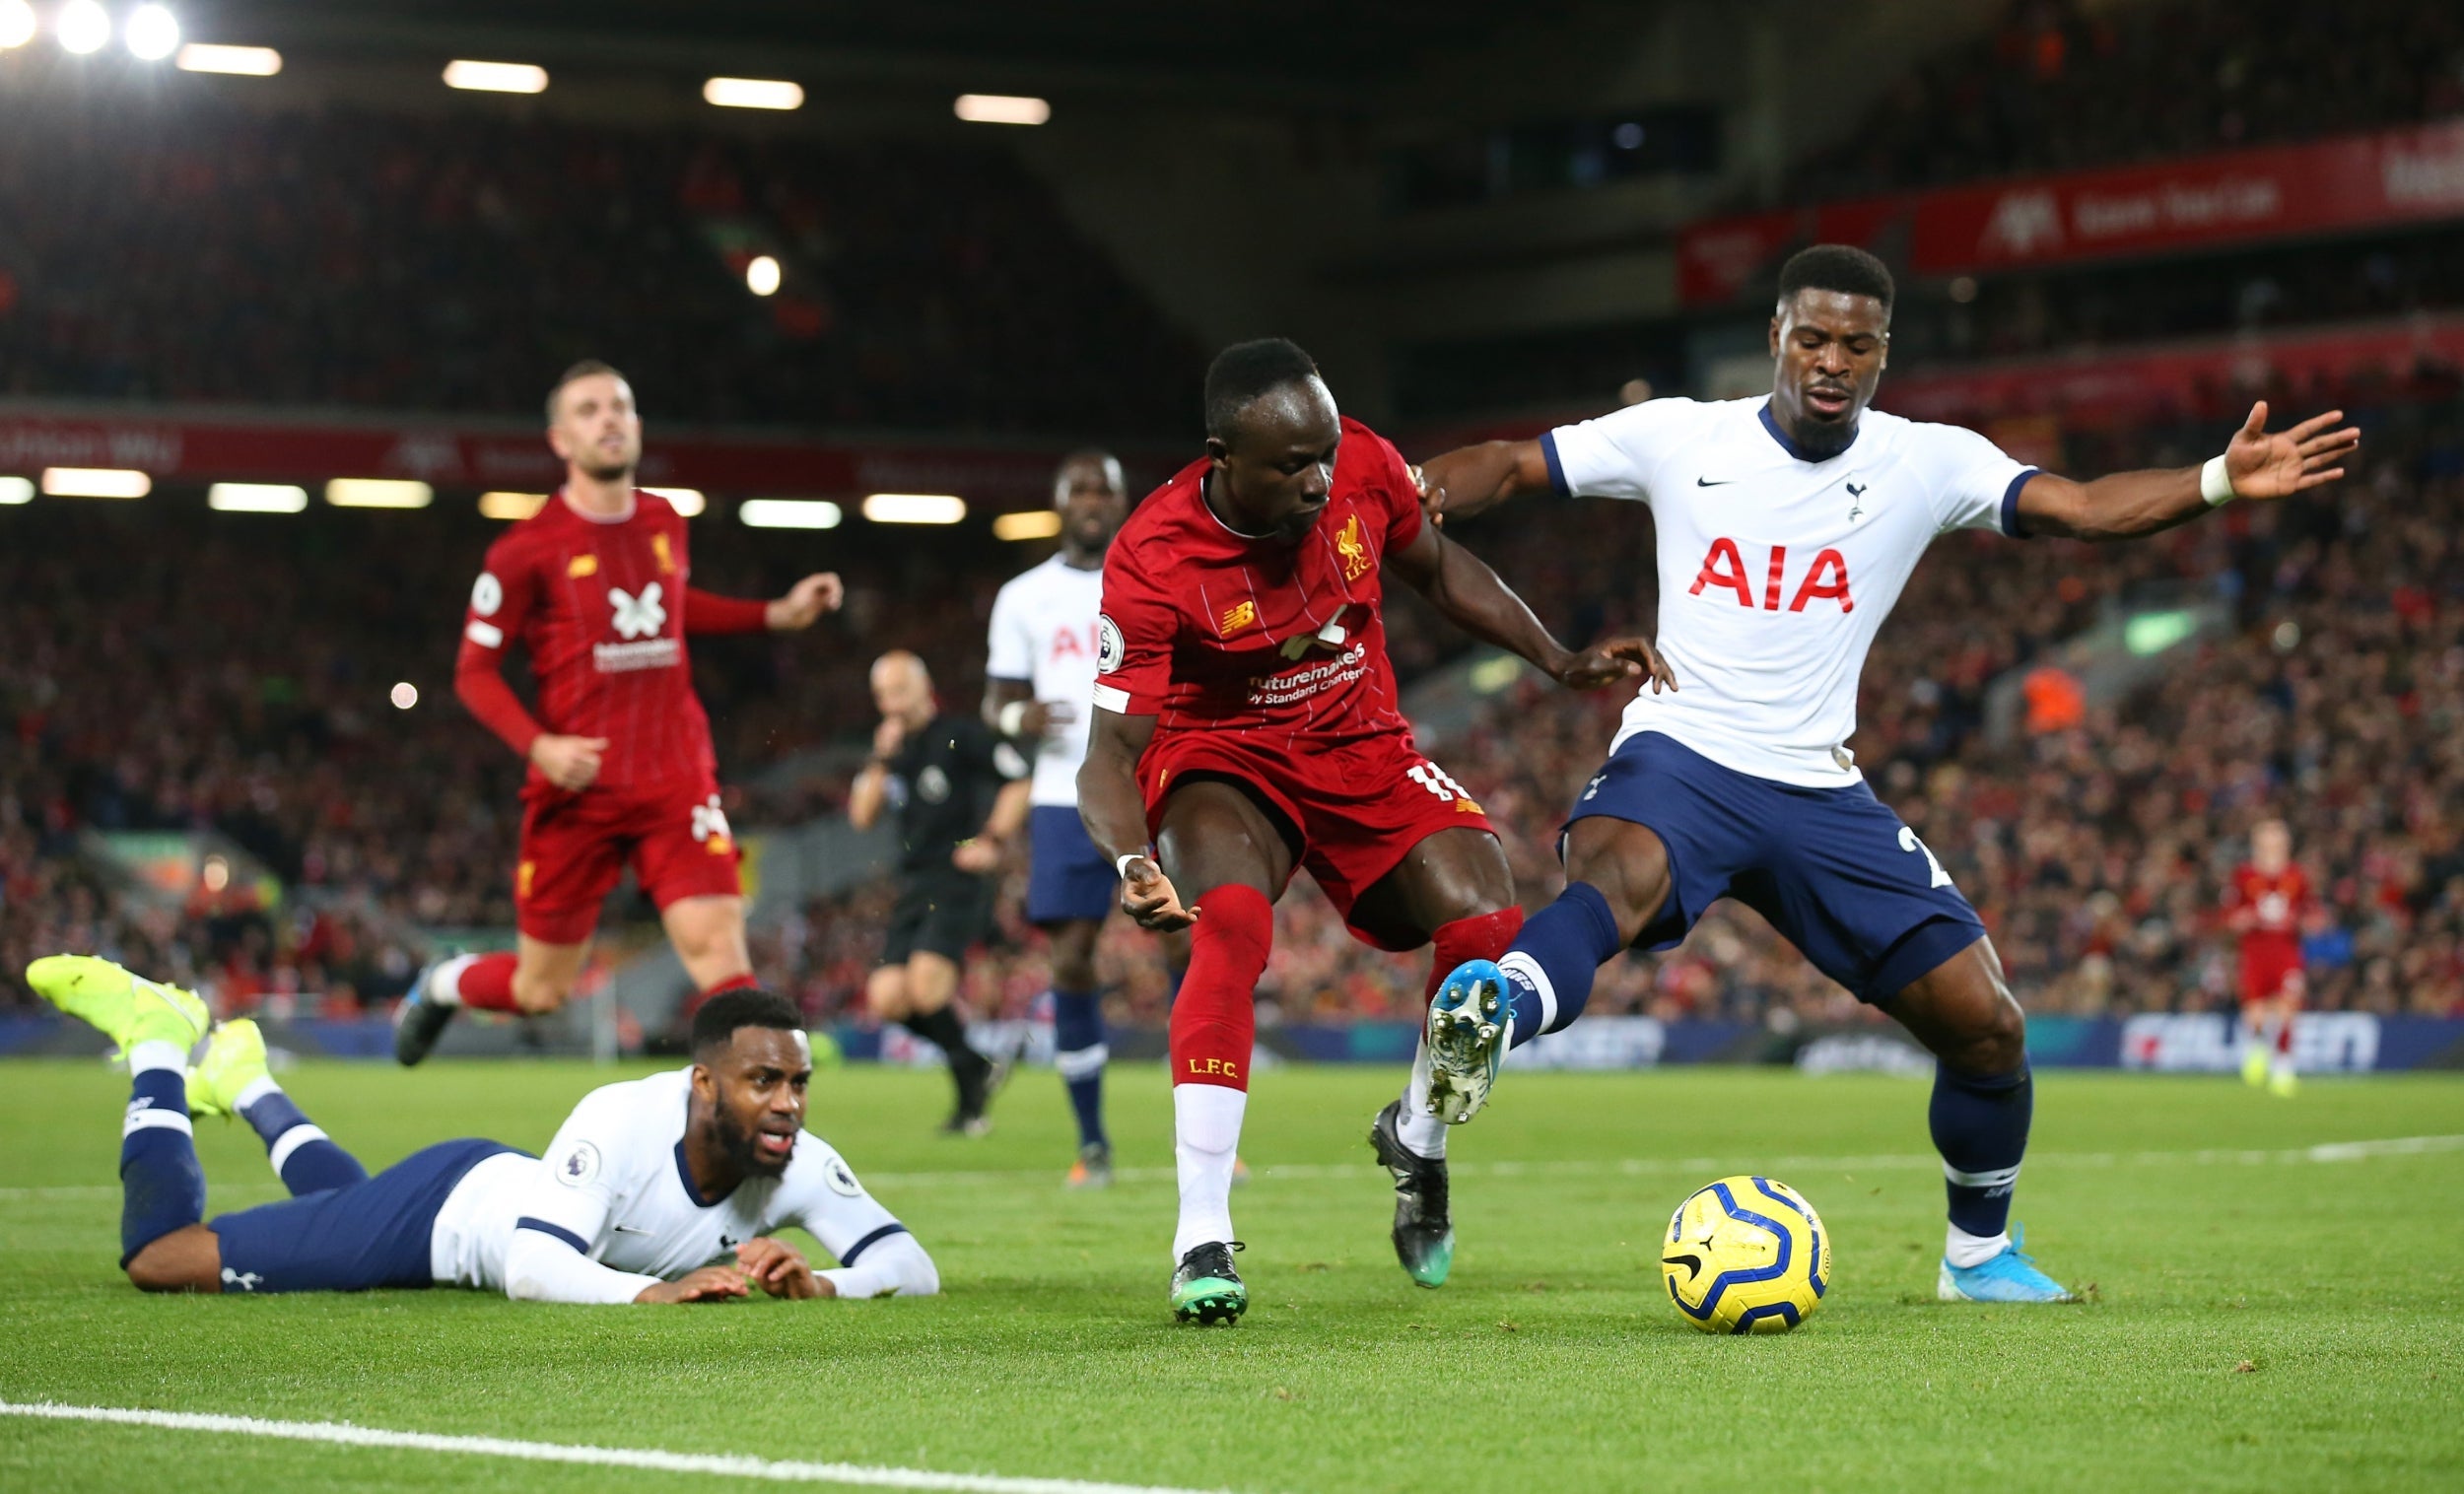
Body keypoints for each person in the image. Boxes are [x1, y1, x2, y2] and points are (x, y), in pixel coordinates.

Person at [1415, 243, 2359, 1304]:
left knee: (1986, 1021)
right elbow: (1509, 462)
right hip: (1683, 750)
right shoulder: (1681, 435)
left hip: (1819, 787)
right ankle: (1497, 1005)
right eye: (1811, 338)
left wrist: (2218, 478)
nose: (1830, 361)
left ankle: (1976, 1256)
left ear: (1881, 355)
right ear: (1776, 336)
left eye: (1854, 345)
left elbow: (2085, 509)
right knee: (1616, 883)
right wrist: (1413, 490)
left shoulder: (1928, 459)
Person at [1075, 337, 1670, 1324]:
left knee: (1486, 919)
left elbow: (1439, 568)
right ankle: (1201, 1237)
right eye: (1291, 464)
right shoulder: (1153, 556)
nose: (1319, 478)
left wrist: (1557, 658)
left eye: (1324, 452)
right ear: (1222, 454)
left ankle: (1419, 1141)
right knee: (1227, 929)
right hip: (1225, 757)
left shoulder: (1359, 461)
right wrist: (1133, 857)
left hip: (1362, 742)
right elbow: (1107, 748)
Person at [27, 955, 937, 1302]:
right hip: (442, 1214)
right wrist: (645, 1296)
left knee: (340, 1204)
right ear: (705, 1085)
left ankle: (249, 1084)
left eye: (799, 1084)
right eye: (763, 1082)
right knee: (159, 1256)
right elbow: (533, 1268)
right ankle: (157, 1037)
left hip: (495, 1192)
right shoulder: (621, 1118)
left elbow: (912, 1268)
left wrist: (822, 1282)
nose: (787, 1103)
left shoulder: (798, 1160)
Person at [394, 361, 844, 1063]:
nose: (609, 419)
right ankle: (445, 983)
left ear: (636, 425)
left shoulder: (666, 519)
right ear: (560, 439)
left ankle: (762, 1114)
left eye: (620, 407)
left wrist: (773, 614)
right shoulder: (524, 550)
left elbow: (666, 607)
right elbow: (473, 673)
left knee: (715, 943)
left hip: (674, 774)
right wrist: (539, 746)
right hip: (579, 787)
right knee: (542, 988)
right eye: (590, 410)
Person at [984, 450, 1134, 1186]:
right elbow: (995, 703)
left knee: (1186, 949)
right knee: (1072, 957)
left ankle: (1209, 1137)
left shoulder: (1150, 579)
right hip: (1061, 793)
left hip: (1147, 786)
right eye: (1080, 488)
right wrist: (1022, 712)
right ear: (1059, 502)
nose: (1092, 500)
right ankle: (1093, 1141)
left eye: (1104, 488)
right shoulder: (1023, 597)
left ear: (1121, 500)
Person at [851, 650, 1032, 1135]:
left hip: (957, 875)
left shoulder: (962, 735)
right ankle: (975, 1064)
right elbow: (861, 816)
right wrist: (879, 760)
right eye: (883, 695)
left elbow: (1018, 781)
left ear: (923, 686)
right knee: (888, 998)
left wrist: (991, 840)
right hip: (913, 881)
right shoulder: (891, 750)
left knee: (928, 985)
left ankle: (970, 1101)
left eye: (899, 690)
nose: (892, 703)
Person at [2226, 819, 2310, 1097]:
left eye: (2277, 839)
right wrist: (2246, 919)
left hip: (2285, 951)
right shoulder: (2244, 876)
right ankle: (2257, 1047)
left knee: (2288, 1007)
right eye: (2267, 839)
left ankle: (2284, 1068)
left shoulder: (2297, 876)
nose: (2272, 845)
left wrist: (2295, 920)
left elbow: (2310, 914)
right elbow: (2231, 917)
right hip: (2255, 951)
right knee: (2256, 1013)